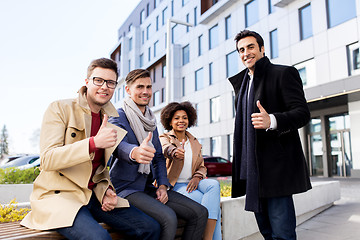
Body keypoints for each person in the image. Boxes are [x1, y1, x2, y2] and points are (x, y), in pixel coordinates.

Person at [20, 58, 160, 240]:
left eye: (110, 83)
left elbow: (100, 168)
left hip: (93, 196)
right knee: (99, 238)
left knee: (151, 228)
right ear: (87, 82)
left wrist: (106, 189)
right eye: (98, 80)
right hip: (60, 196)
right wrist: (92, 143)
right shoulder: (60, 108)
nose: (104, 87)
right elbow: (47, 159)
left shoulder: (109, 121)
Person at [228, 30, 312, 240]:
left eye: (250, 47)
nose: (246, 53)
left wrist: (272, 121)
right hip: (252, 171)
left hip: (276, 169)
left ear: (262, 49)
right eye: (241, 50)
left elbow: (302, 114)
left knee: (282, 234)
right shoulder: (243, 84)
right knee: (266, 232)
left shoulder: (283, 73)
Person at [109, 69, 208, 240]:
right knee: (168, 218)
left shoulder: (150, 121)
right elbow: (117, 147)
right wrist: (134, 153)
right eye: (140, 87)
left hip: (148, 187)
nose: (146, 92)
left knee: (200, 213)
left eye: (148, 87)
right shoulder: (117, 117)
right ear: (127, 90)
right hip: (125, 189)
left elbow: (159, 158)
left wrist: (162, 186)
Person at [159, 101, 222, 240]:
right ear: (169, 121)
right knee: (213, 208)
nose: (181, 120)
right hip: (174, 186)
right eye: (176, 118)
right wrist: (175, 152)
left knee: (214, 185)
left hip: (193, 182)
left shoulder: (194, 142)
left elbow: (202, 166)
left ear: (189, 120)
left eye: (184, 117)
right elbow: (165, 149)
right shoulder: (164, 138)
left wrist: (197, 176)